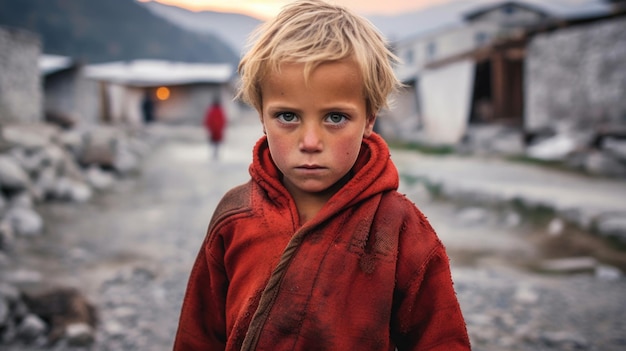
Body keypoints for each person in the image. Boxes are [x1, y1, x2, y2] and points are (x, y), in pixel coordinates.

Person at [173, 1, 471, 350]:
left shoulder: (398, 228)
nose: (310, 142)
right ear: (261, 117)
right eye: (287, 117)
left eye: (335, 118)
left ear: (369, 119)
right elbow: (199, 335)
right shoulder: (235, 215)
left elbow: (441, 340)